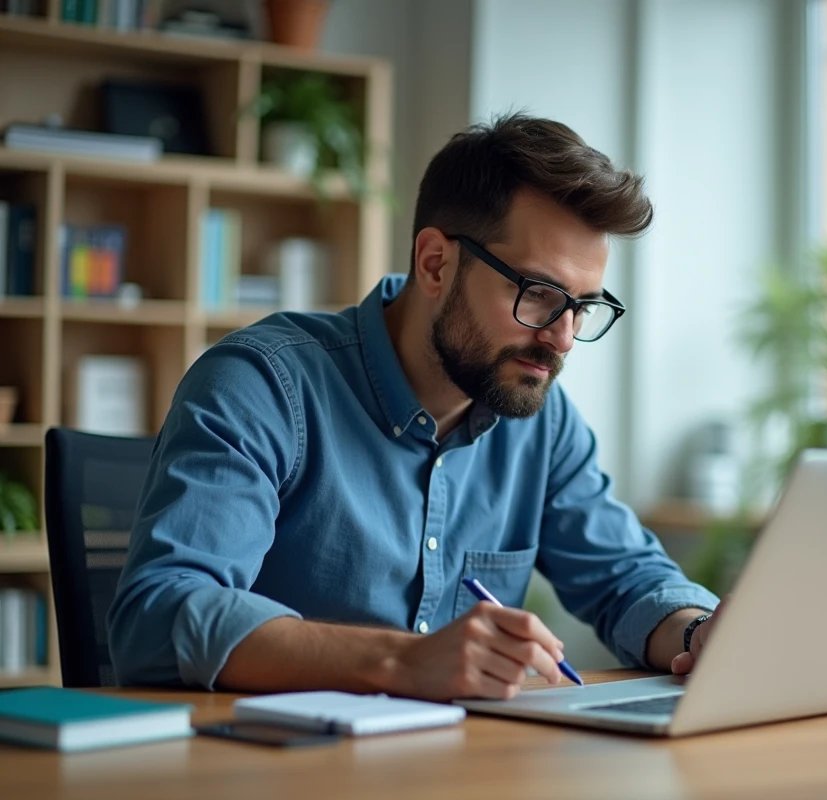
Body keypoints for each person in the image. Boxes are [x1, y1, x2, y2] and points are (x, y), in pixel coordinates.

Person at [108, 114, 721, 700]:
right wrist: (402, 662)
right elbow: (159, 612)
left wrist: (699, 635)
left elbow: (628, 580)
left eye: (583, 307)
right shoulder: (263, 385)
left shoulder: (541, 420)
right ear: (435, 263)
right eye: (538, 294)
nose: (562, 337)